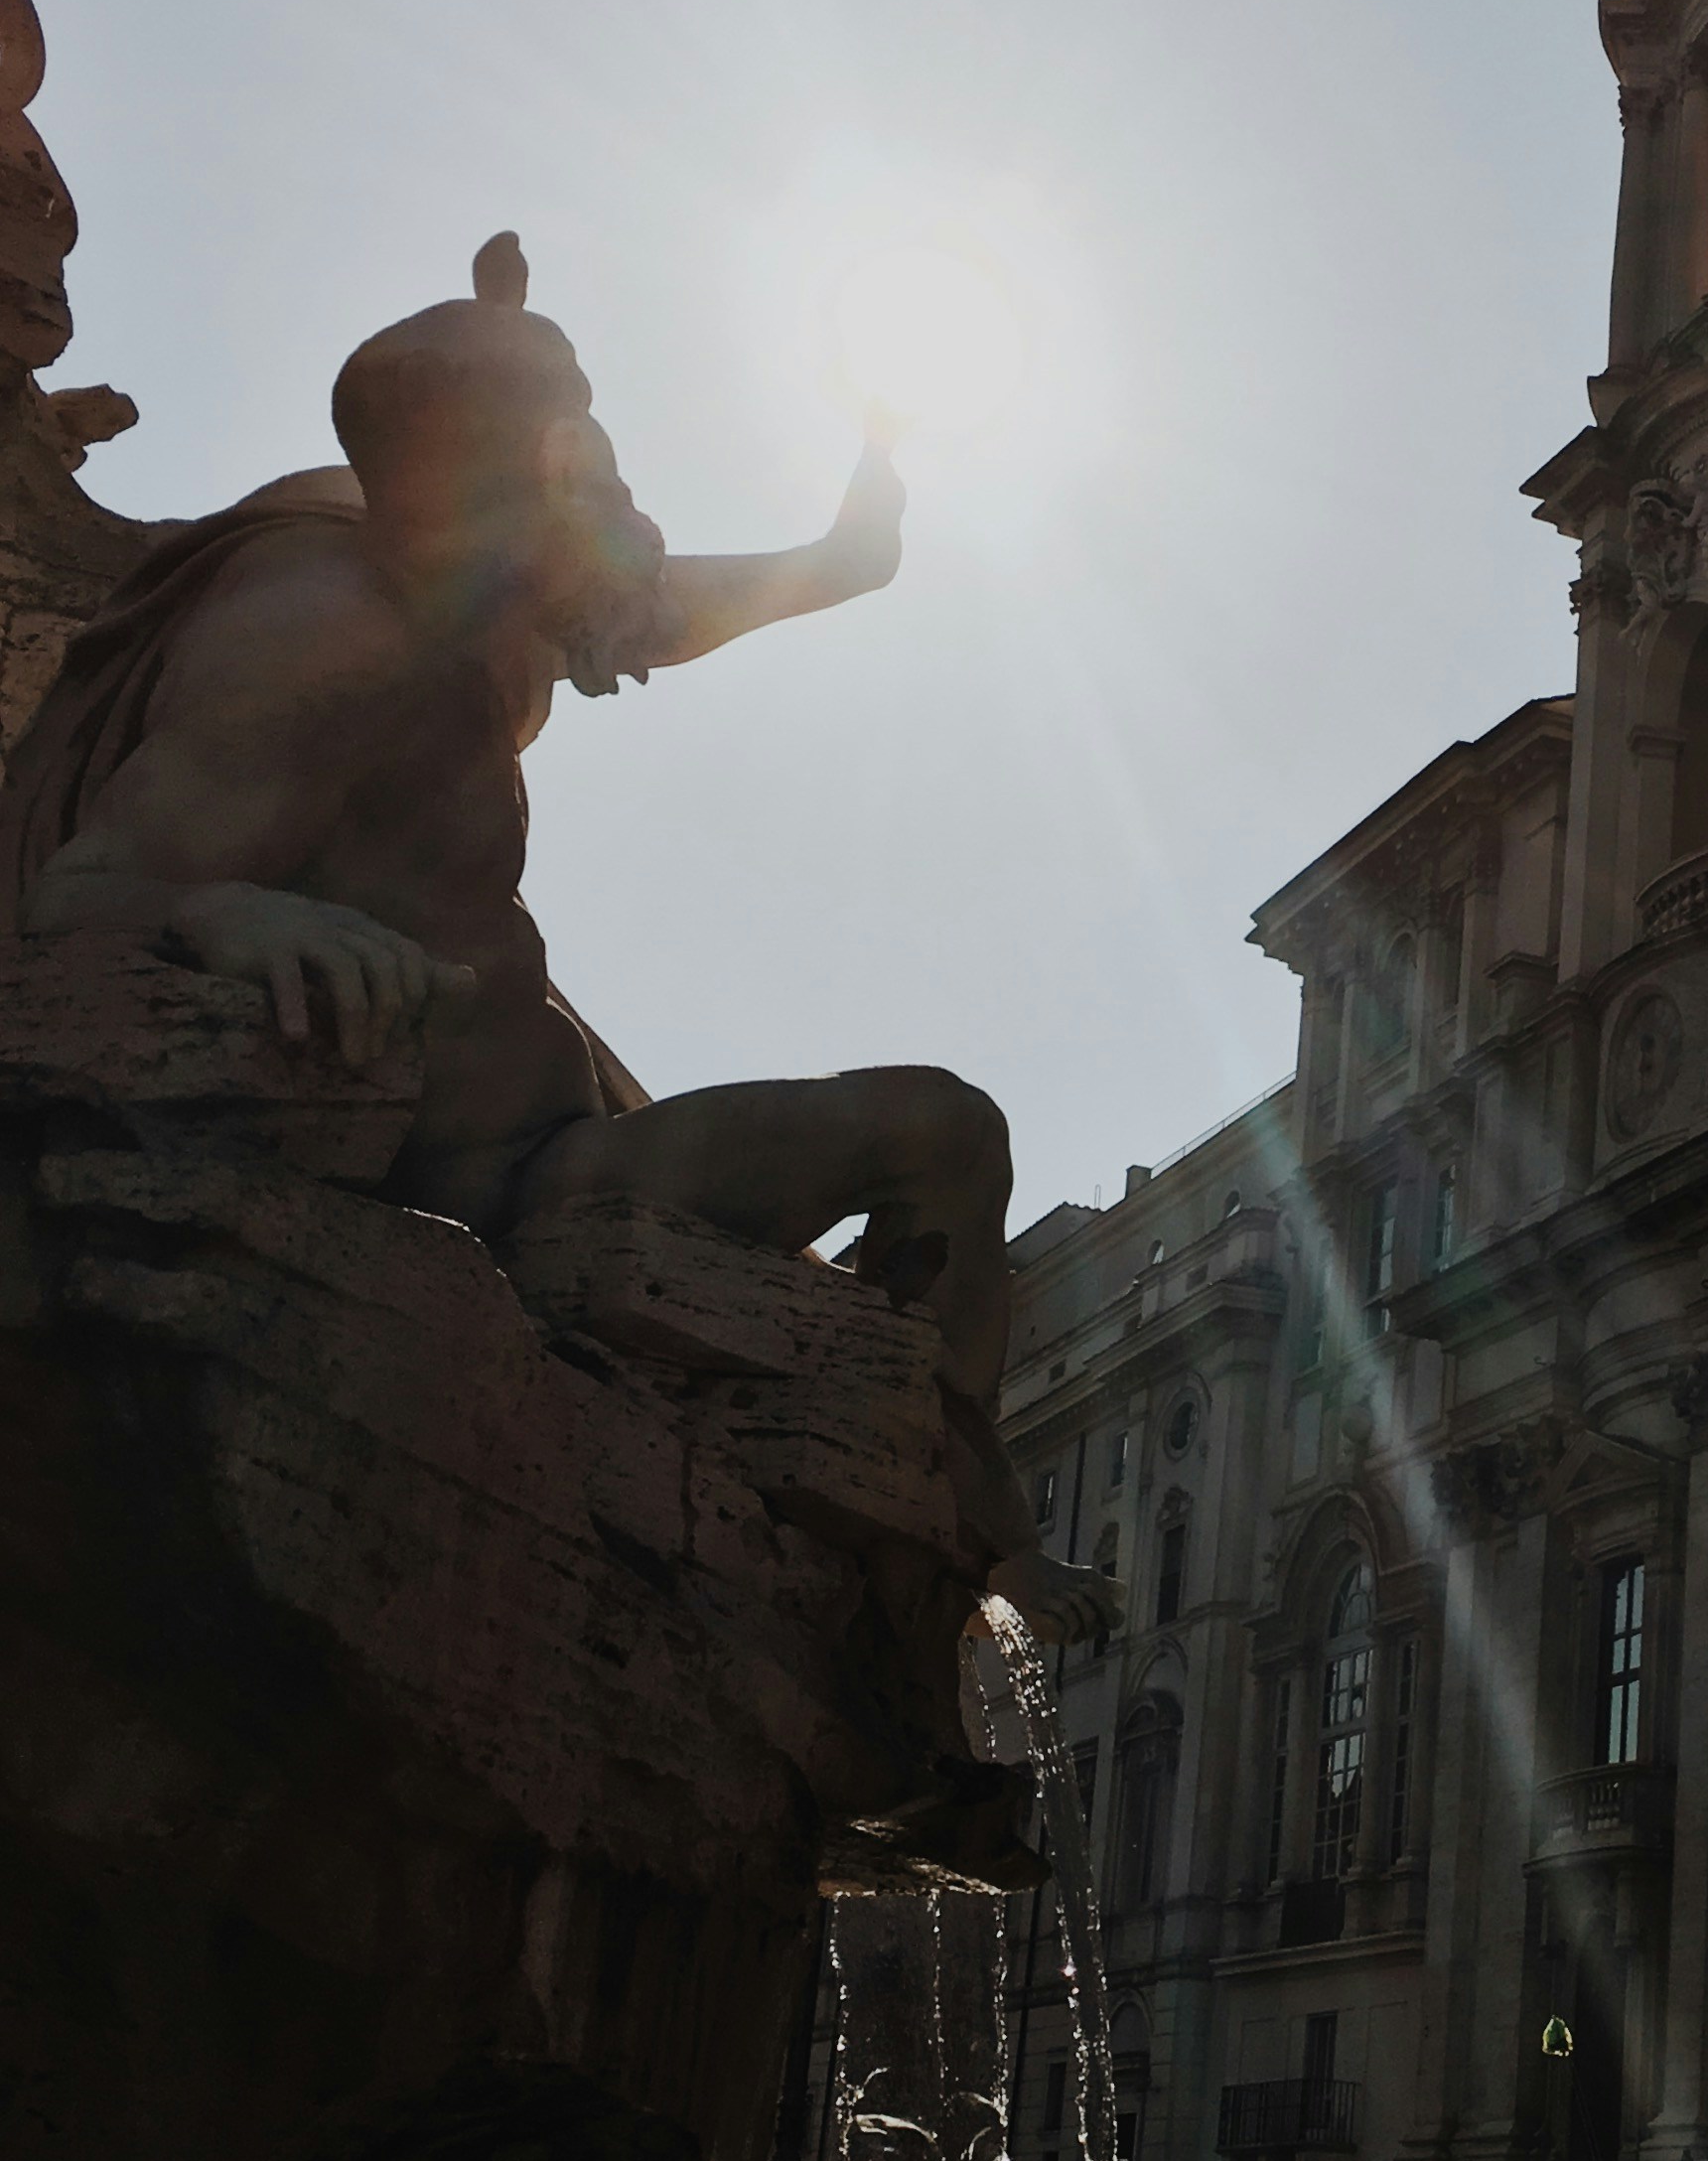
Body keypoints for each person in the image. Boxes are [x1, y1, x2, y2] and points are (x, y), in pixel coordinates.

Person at [0, 233, 1118, 1644]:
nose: (621, 480)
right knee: (931, 1141)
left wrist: (878, 448)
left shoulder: (518, 596)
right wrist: (232, 911)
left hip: (557, 1146)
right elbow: (83, 896)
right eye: (591, 444)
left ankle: (977, 1539)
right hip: (474, 1193)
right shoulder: (314, 627)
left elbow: (825, 566)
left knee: (945, 1134)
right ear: (530, 471)